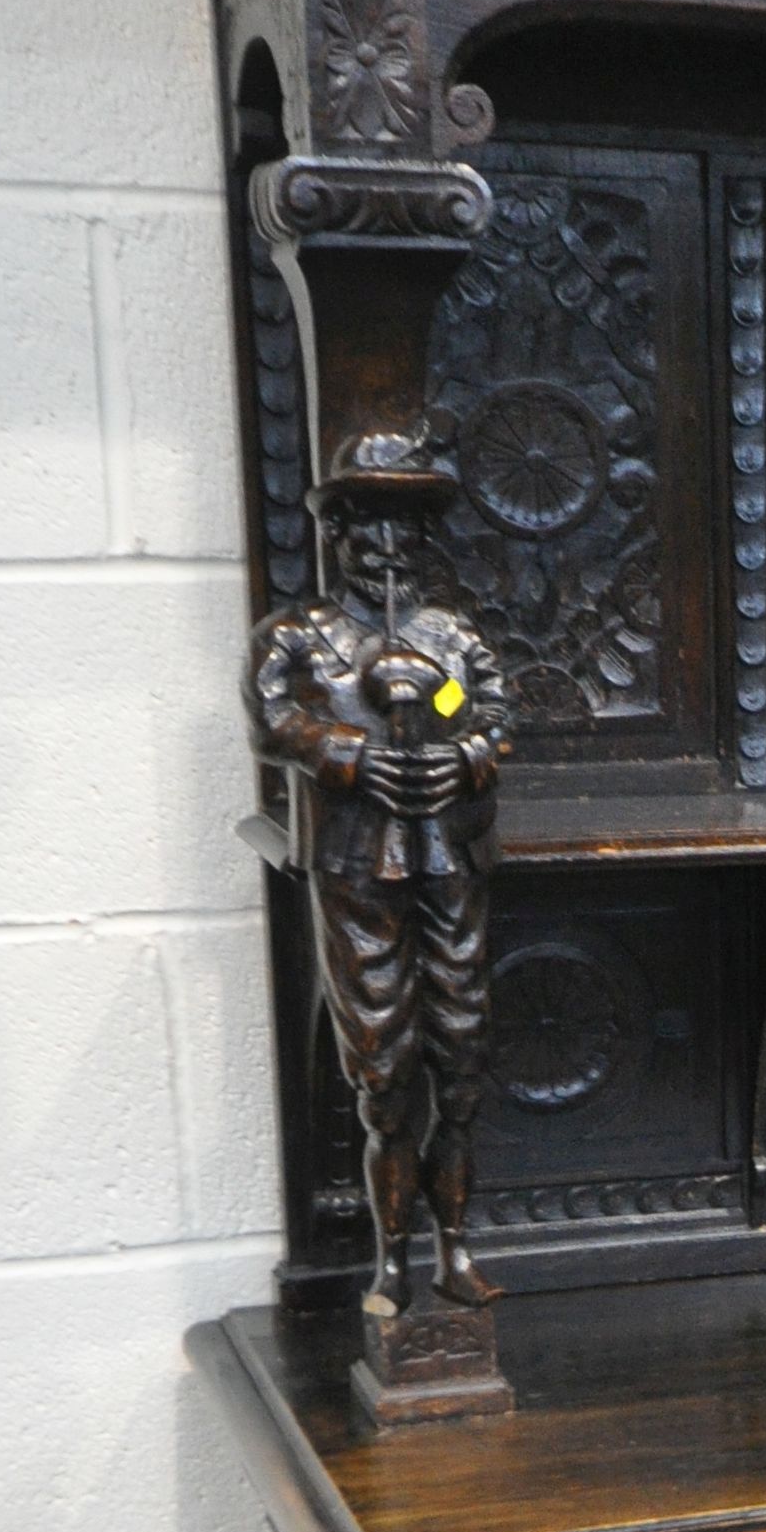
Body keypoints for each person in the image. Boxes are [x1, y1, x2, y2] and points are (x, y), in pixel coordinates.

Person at [245, 443, 511, 1314]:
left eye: (411, 525)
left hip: (450, 861)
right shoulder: (299, 637)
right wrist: (346, 755)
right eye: (371, 523)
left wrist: (467, 754)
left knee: (462, 1060)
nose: (391, 543)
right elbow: (272, 716)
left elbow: (496, 712)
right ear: (339, 533)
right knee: (385, 1070)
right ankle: (390, 1258)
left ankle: (455, 1247)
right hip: (359, 868)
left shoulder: (451, 637)